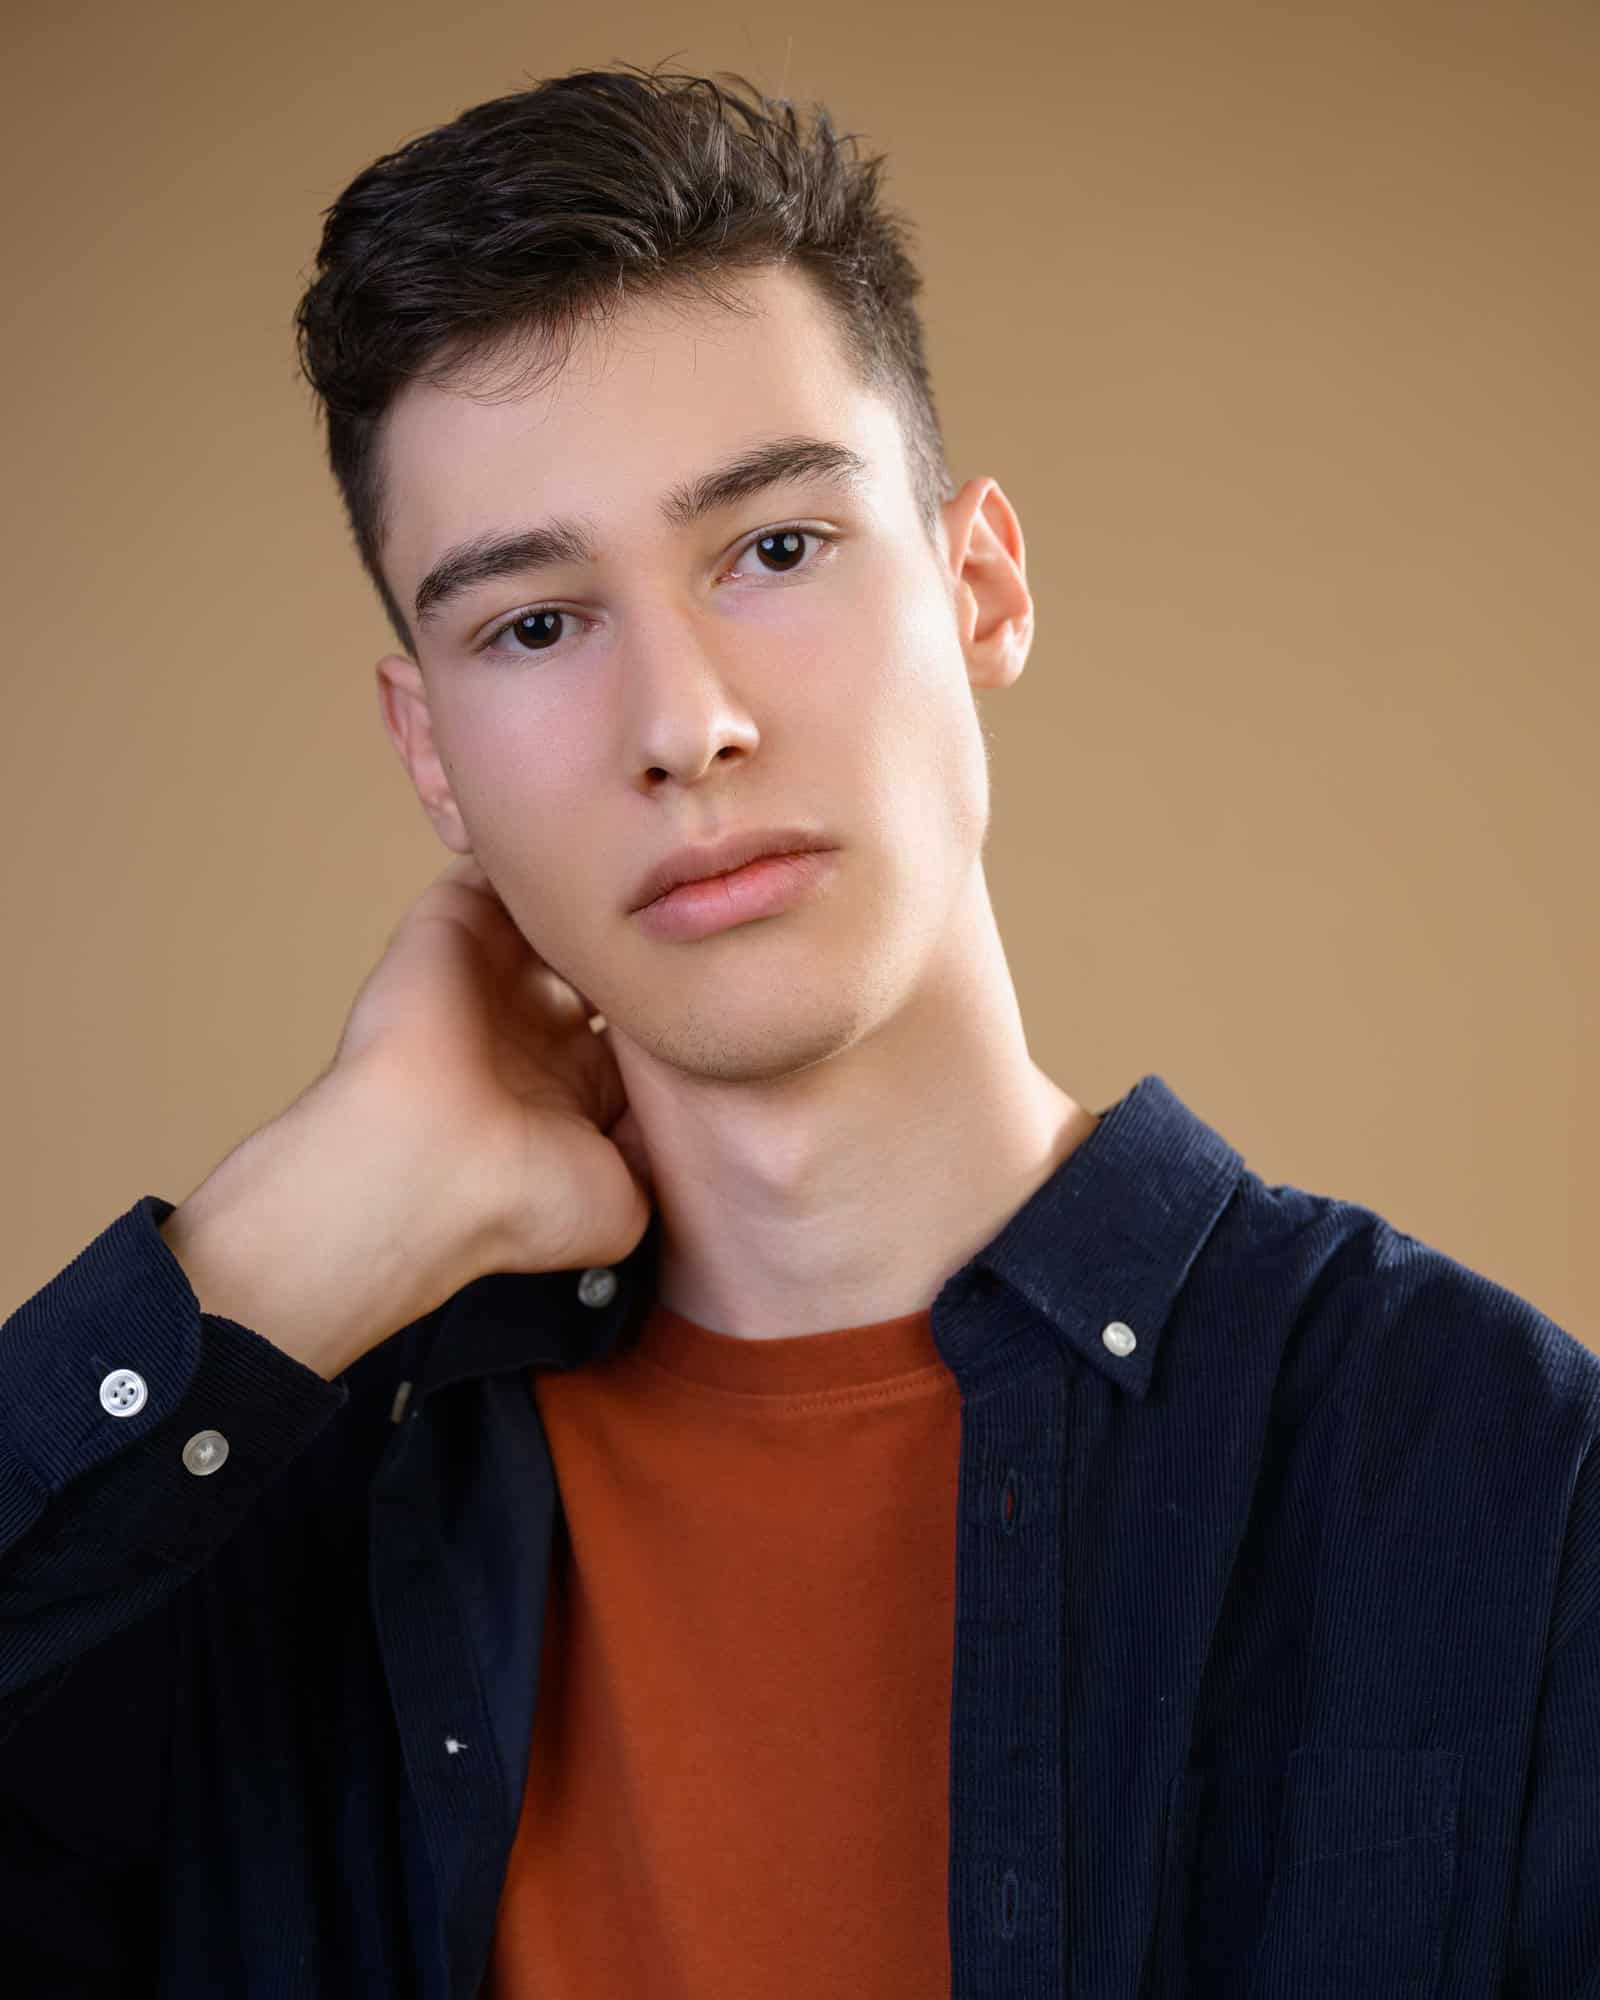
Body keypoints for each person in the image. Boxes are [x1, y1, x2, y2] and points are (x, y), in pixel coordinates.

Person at [1, 60, 1594, 2000]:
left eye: (773, 548)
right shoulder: (252, 1537)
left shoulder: (1492, 1472)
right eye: (532, 624)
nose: (684, 724)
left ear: (978, 584)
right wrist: (275, 1238)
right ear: (428, 751)